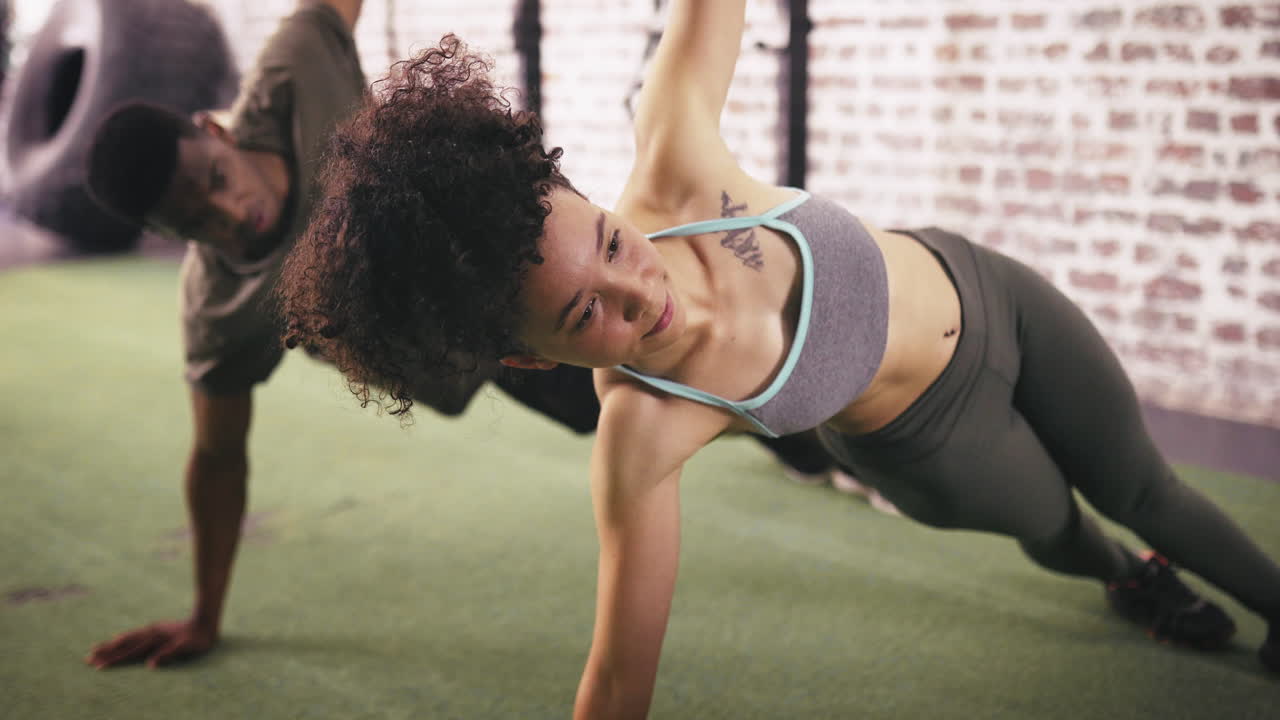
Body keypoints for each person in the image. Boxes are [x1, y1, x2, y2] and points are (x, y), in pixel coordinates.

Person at [277, 1, 1279, 715]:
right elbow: (618, 678)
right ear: (531, 361)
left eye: (613, 244)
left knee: (1144, 486)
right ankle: (1128, 580)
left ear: (581, 193)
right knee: (1064, 526)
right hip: (933, 443)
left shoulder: (676, 155)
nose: (641, 295)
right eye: (587, 316)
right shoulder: (643, 430)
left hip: (994, 294)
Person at [79, 0, 849, 671]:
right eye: (194, 221)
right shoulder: (218, 308)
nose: (229, 214)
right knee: (638, 408)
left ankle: (817, 421)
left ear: (213, 130)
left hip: (524, 268)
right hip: (481, 349)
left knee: (691, 344)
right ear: (166, 235)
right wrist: (204, 615)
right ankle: (798, 425)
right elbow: (217, 458)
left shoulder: (293, 66)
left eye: (214, 180)